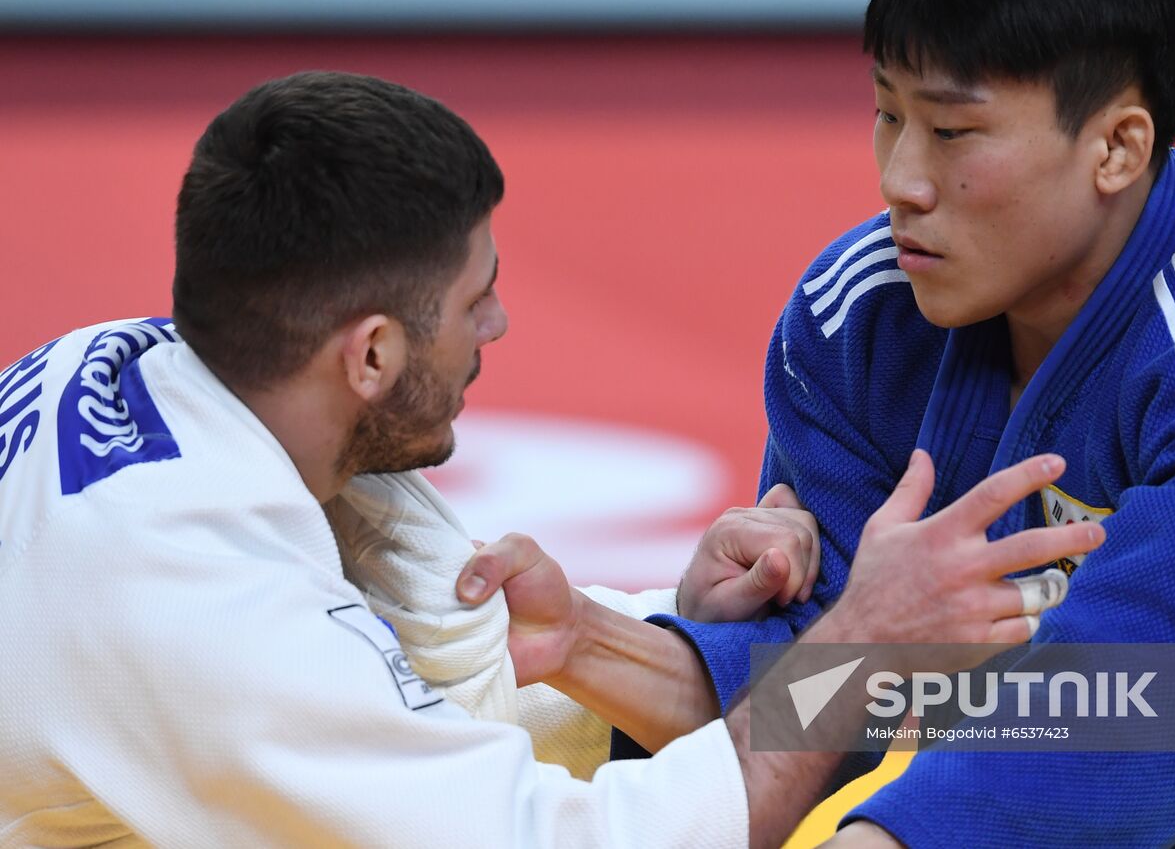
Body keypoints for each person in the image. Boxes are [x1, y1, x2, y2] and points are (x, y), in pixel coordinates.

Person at [0, 70, 1099, 847]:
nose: (502, 326)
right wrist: (857, 650)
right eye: (473, 302)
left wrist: (636, 634)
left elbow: (395, 730)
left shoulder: (122, 370)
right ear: (371, 352)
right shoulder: (200, 606)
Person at [594, 0, 1175, 845]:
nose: (901, 180)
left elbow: (1116, 722)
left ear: (1117, 148)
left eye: (952, 130)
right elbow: (835, 691)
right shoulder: (860, 313)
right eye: (887, 113)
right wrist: (605, 646)